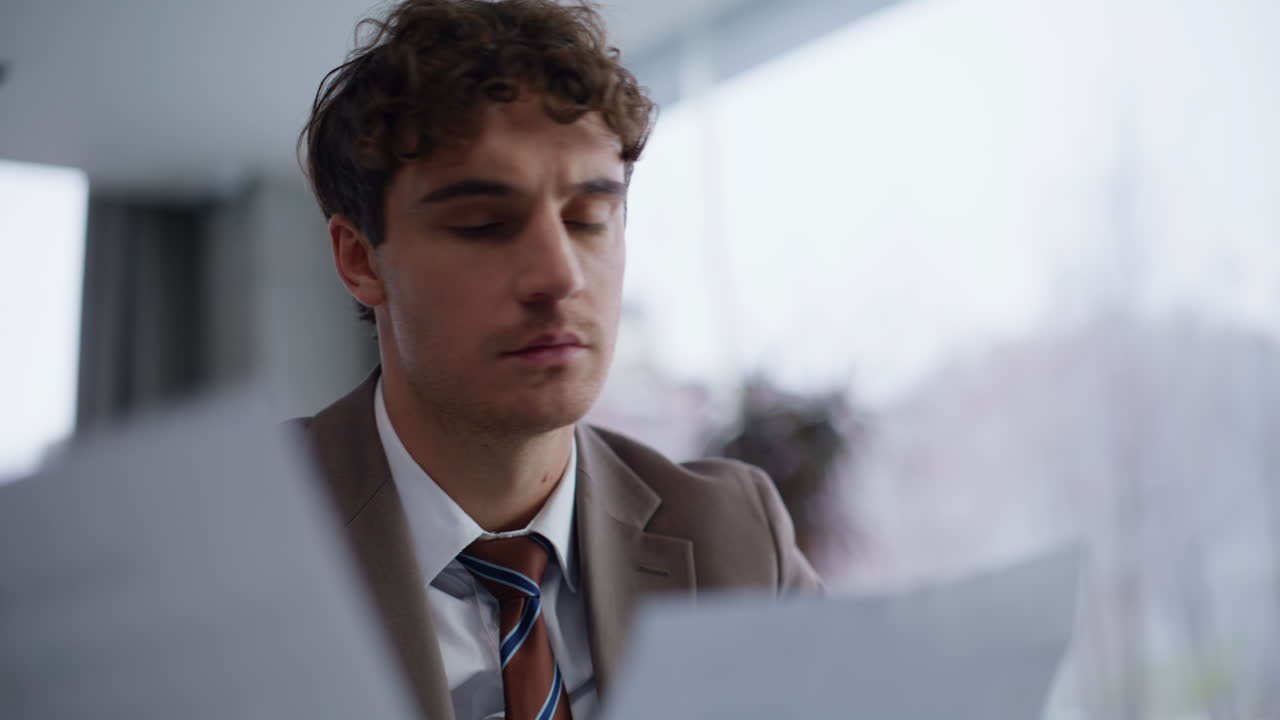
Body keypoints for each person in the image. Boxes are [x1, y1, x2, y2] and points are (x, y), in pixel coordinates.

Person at [295, 1, 821, 718]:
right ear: (360, 259)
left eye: (587, 218)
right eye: (485, 224)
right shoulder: (226, 546)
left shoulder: (736, 537)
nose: (560, 275)